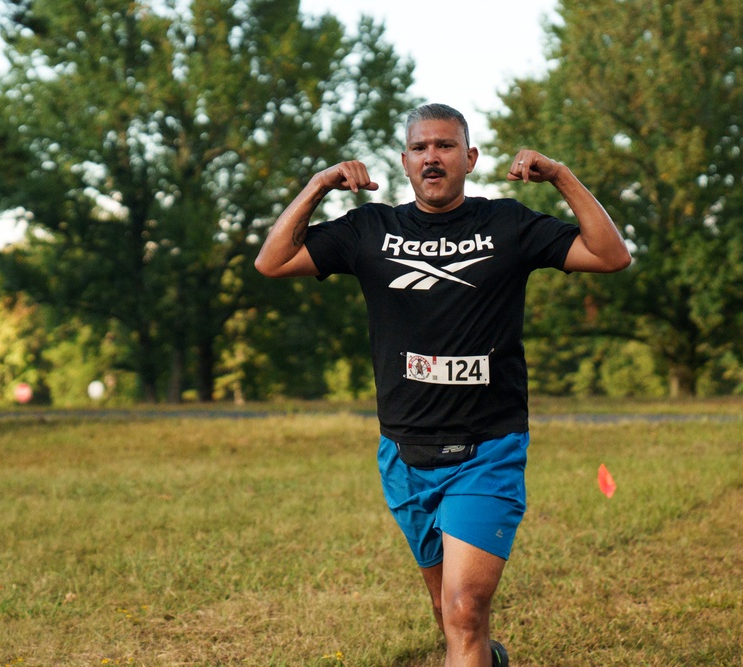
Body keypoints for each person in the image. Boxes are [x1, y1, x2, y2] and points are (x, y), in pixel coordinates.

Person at [255, 103, 631, 667]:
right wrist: (317, 186)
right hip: (403, 452)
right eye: (421, 147)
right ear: (404, 162)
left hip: (488, 446)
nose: (433, 156)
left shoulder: (507, 225)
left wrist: (561, 176)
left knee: (464, 608)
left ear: (470, 159)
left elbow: (610, 254)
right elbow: (272, 262)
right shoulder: (369, 230)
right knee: (446, 610)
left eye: (446, 146)